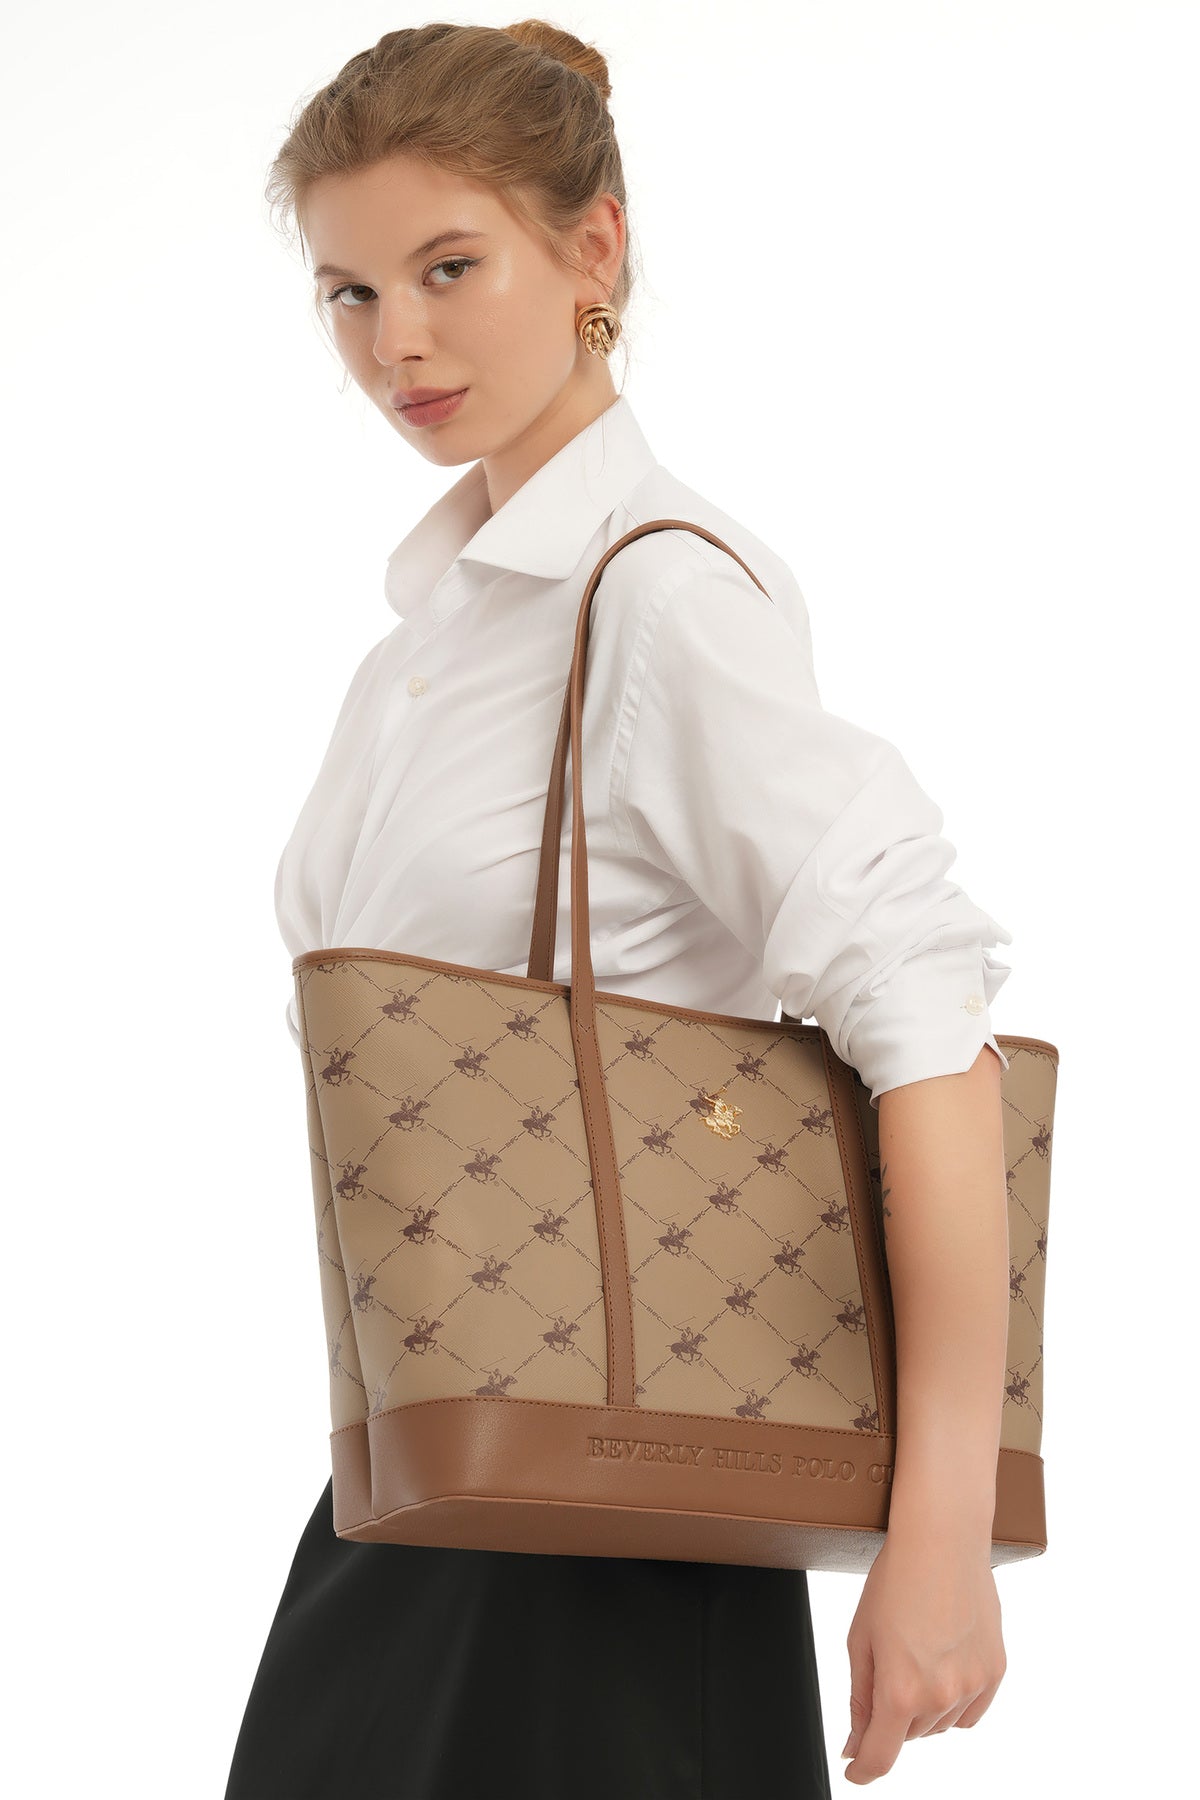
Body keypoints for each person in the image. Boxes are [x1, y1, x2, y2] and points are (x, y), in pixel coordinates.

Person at [224, 19, 1013, 1798]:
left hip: (615, 1516)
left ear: (595, 251)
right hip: (422, 1478)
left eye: (449, 268)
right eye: (350, 292)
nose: (395, 342)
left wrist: (940, 1536)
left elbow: (928, 1020)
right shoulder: (426, 646)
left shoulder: (659, 602)